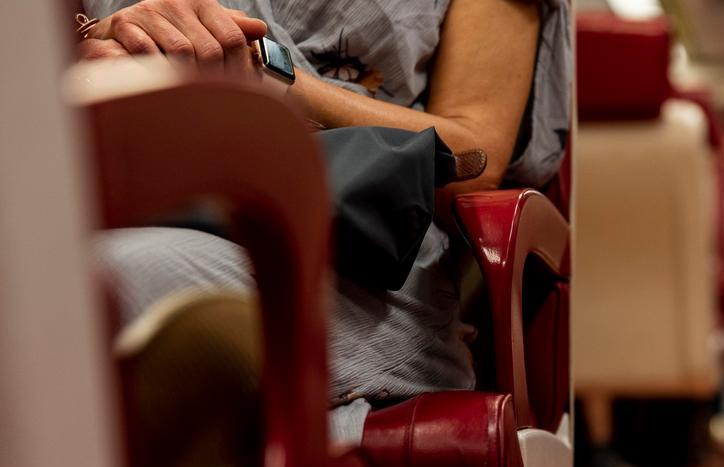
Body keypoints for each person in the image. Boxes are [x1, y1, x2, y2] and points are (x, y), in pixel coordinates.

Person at [73, 0, 571, 442]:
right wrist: (96, 43)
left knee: (95, 286)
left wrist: (269, 73)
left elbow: (473, 157)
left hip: (337, 254)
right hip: (108, 204)